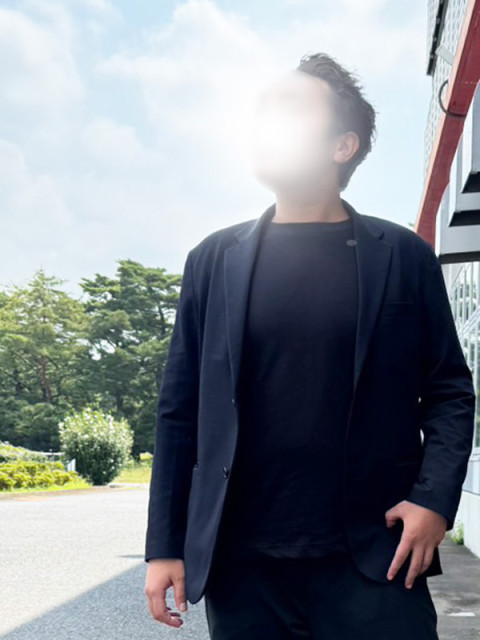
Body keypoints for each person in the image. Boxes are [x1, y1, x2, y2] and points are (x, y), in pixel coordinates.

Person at [144, 52, 476, 639]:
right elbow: (179, 410)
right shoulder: (213, 260)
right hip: (243, 567)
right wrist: (164, 545)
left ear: (342, 146)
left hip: (377, 557)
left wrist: (434, 501)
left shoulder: (402, 257)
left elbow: (449, 391)